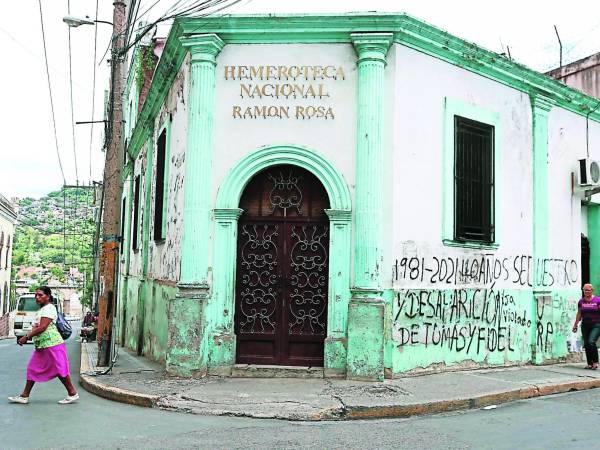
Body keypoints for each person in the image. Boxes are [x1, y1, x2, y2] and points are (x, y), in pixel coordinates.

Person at [8, 286, 79, 404]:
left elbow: (42, 327)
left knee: (60, 369)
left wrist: (26, 337)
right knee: (33, 368)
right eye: (36, 295)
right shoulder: (42, 309)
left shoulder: (49, 308)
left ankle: (72, 393)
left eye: (40, 295)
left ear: (48, 296)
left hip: (53, 344)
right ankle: (24, 396)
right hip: (42, 346)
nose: (37, 297)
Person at [572, 283, 600, 370]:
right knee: (587, 344)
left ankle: (595, 362)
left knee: (591, 342)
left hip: (596, 324)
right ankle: (589, 363)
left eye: (588, 290)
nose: (586, 291)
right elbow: (579, 313)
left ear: (592, 291)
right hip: (585, 325)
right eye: (584, 290)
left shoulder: (597, 300)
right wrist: (575, 324)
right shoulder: (581, 301)